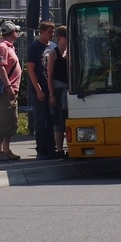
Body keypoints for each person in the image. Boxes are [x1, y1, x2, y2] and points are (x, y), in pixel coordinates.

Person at [26, 21, 58, 159]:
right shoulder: (34, 48)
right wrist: (38, 89)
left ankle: (52, 147)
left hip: (52, 88)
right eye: (49, 32)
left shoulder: (53, 47)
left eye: (53, 32)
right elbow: (31, 70)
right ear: (42, 32)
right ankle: (41, 149)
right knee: (41, 120)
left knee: (52, 120)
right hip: (41, 88)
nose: (52, 34)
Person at [0, 21, 22, 162]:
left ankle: (6, 149)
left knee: (11, 120)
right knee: (3, 120)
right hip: (6, 90)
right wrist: (9, 85)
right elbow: (1, 68)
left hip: (11, 89)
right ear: (13, 33)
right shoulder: (2, 47)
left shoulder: (9, 47)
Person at [48, 25, 70, 158]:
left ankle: (70, 147)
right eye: (66, 37)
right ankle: (60, 149)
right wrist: (51, 94)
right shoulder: (53, 53)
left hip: (69, 90)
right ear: (60, 37)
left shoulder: (71, 52)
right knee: (59, 121)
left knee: (68, 119)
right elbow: (50, 75)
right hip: (57, 90)